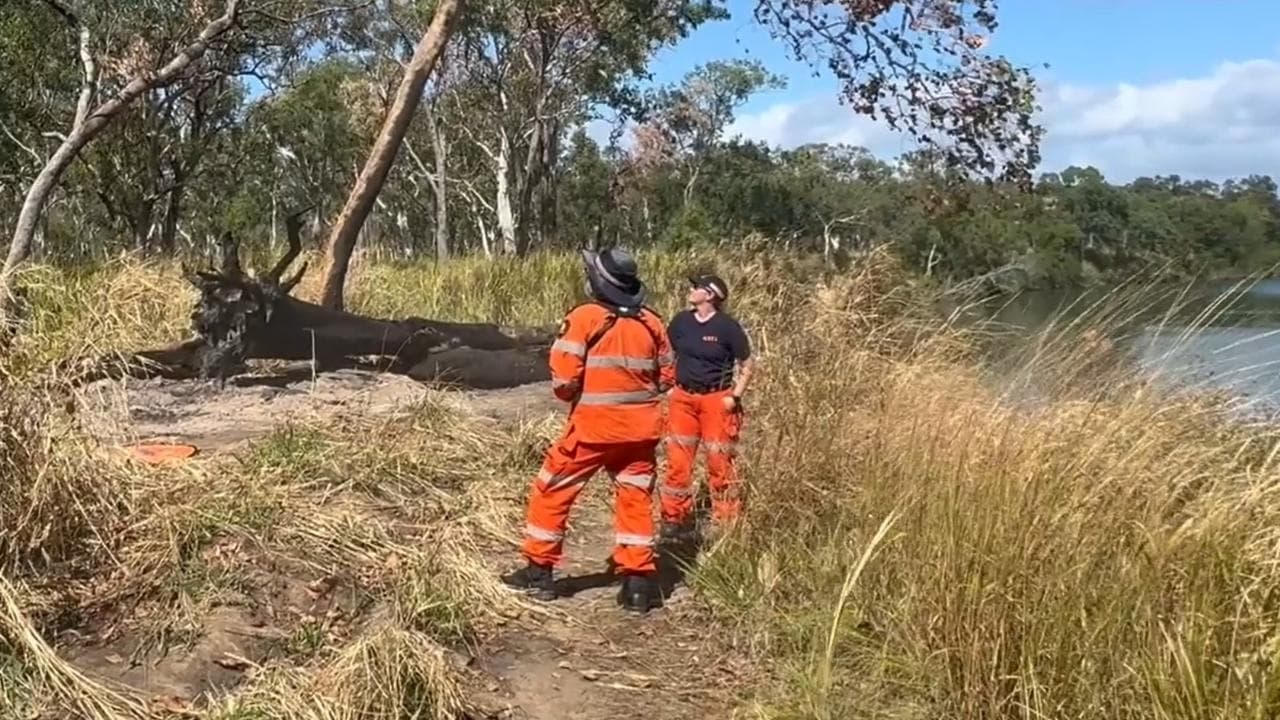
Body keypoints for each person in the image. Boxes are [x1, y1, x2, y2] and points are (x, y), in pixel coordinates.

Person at [500, 248, 675, 614]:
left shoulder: (584, 318)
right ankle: (638, 586)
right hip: (642, 431)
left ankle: (539, 573)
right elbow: (668, 376)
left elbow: (563, 381)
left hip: (592, 430)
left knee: (551, 490)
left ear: (598, 282)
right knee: (636, 500)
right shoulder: (652, 323)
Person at [659, 274, 753, 544]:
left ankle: (726, 523)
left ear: (710, 295)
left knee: (719, 462)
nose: (690, 290)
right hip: (683, 400)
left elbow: (747, 364)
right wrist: (668, 387)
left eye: (696, 287)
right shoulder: (681, 322)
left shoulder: (727, 327)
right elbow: (666, 355)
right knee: (678, 463)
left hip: (716, 401)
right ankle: (673, 519)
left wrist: (734, 396)